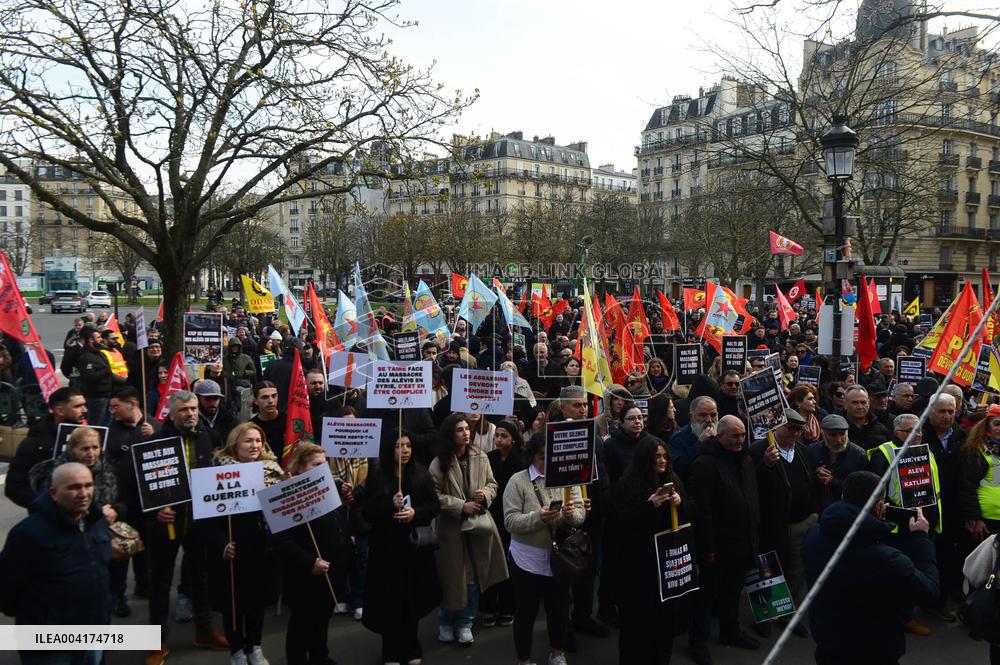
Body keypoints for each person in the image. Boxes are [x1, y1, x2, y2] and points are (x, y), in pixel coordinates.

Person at [803, 471, 940, 665]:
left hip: (827, 643)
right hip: (873, 651)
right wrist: (920, 540)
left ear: (843, 497)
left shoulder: (813, 535)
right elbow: (929, 590)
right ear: (878, 507)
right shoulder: (887, 560)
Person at [142, 391, 227, 665]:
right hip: (166, 525)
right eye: (184, 410)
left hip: (199, 522)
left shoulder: (208, 437)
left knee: (200, 577)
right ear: (171, 413)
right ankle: (158, 642)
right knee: (161, 583)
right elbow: (142, 485)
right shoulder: (155, 442)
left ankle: (204, 631)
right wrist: (156, 509)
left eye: (193, 409)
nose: (191, 414)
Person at [0, 463, 113, 665]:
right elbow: (6, 591)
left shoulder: (95, 523)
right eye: (74, 487)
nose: (83, 493)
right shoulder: (28, 533)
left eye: (88, 485)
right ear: (53, 493)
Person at [503, 431, 586, 665]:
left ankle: (557, 653)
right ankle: (524, 658)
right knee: (526, 613)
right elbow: (510, 522)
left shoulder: (568, 477)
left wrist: (572, 515)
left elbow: (580, 514)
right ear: (532, 456)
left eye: (552, 456)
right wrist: (538, 517)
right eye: (542, 456)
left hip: (558, 559)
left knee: (559, 611)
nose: (548, 461)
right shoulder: (517, 481)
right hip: (525, 559)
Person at [362, 429, 442, 665]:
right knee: (390, 602)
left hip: (414, 550)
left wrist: (415, 513)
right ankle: (391, 651)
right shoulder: (378, 476)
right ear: (390, 449)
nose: (405, 450)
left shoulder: (421, 474)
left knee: (412, 601)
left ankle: (412, 647)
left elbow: (433, 506)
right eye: (399, 445)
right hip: (386, 552)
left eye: (408, 445)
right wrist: (390, 505)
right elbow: (368, 512)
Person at [206, 423, 284, 665]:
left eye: (258, 441)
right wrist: (222, 545)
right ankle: (237, 650)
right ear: (235, 444)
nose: (254, 446)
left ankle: (255, 647)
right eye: (248, 441)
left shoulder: (273, 470)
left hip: (260, 546)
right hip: (232, 548)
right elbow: (208, 519)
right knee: (234, 604)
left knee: (256, 602)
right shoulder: (216, 472)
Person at [429, 413, 509, 646]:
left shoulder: (480, 456)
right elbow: (434, 495)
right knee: (451, 576)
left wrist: (486, 495)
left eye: (467, 429)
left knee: (473, 577)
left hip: (476, 526)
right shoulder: (438, 462)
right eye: (459, 430)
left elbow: (493, 484)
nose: (465, 433)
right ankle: (445, 621)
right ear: (449, 434)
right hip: (450, 528)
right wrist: (460, 506)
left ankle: (466, 622)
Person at [688, 415, 761, 665]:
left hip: (741, 541)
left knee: (733, 591)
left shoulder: (746, 460)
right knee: (707, 596)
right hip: (718, 545)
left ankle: (730, 631)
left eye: (742, 435)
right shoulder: (705, 464)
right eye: (735, 436)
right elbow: (702, 509)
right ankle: (697, 642)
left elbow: (751, 496)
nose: (740, 440)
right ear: (720, 437)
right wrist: (706, 545)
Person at [272, 443, 353, 665]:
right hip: (304, 574)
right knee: (302, 623)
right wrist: (310, 562)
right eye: (317, 464)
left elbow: (338, 521)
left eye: (325, 464)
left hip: (331, 567)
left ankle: (320, 657)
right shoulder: (286, 494)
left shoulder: (329, 488)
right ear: (300, 468)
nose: (323, 468)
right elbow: (282, 541)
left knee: (322, 618)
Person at [612, 437, 687, 665]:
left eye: (665, 456)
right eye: (656, 457)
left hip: (666, 567)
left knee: (664, 626)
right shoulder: (627, 485)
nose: (662, 461)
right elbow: (619, 523)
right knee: (636, 629)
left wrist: (680, 503)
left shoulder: (673, 481)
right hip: (637, 570)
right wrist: (648, 506)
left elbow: (692, 513)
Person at [749, 409, 817, 638]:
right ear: (777, 427)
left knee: (797, 570)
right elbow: (751, 485)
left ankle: (789, 616)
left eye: (799, 429)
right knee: (769, 570)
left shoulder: (802, 451)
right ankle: (767, 615)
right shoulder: (760, 450)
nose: (795, 434)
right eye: (790, 428)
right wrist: (765, 465)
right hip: (772, 523)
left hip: (800, 521)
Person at [5, 387, 87, 509]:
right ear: (60, 411)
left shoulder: (88, 437)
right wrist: (46, 504)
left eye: (84, 405)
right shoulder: (34, 444)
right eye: (78, 406)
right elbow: (15, 488)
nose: (84, 410)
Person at [481, 421, 526, 627]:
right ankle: (488, 606)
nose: (498, 439)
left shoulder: (521, 461)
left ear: (513, 438)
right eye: (496, 435)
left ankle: (508, 607)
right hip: (492, 515)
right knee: (490, 561)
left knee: (510, 563)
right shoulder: (488, 458)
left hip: (512, 516)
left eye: (504, 436)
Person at [807, 414, 869, 510]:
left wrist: (832, 481)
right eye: (833, 435)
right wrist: (815, 475)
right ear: (823, 434)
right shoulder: (812, 450)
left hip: (846, 510)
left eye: (842, 434)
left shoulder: (859, 455)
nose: (839, 440)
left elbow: (860, 490)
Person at [668, 396, 718, 483]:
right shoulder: (678, 438)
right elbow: (679, 468)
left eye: (713, 415)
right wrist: (700, 443)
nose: (709, 420)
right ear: (691, 416)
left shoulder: (722, 434)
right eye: (703, 415)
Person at [250, 382, 284, 462]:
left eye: (274, 396)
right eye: (265, 397)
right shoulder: (251, 427)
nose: (270, 401)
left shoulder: (289, 420)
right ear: (255, 401)